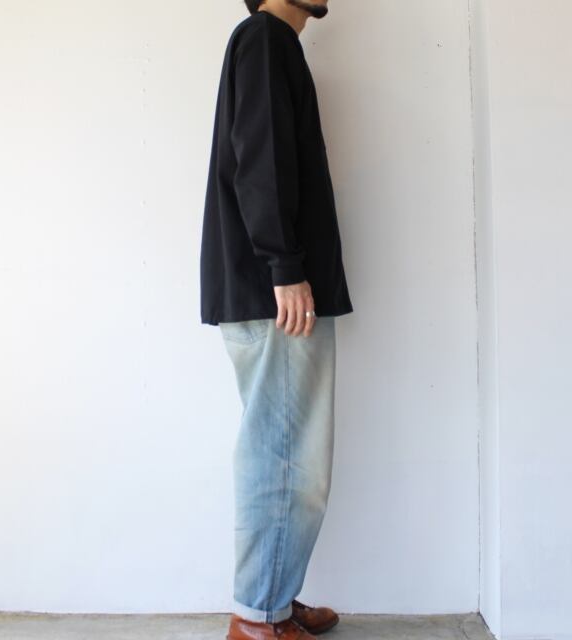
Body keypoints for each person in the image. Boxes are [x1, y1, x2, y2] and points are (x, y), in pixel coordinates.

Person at [199, 0, 353, 637]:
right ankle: (258, 618)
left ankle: (273, 601)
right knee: (287, 459)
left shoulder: (268, 44)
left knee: (288, 454)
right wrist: (284, 265)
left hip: (271, 288)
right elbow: (258, 156)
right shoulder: (265, 38)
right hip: (277, 292)